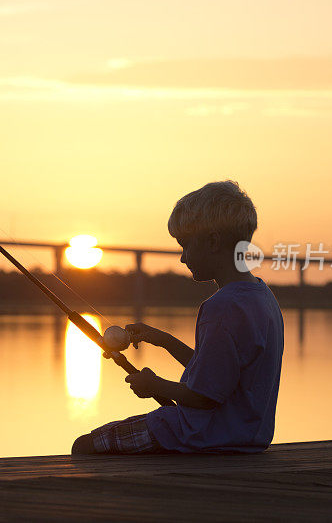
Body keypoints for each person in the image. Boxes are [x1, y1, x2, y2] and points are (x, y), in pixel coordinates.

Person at [72, 180, 284, 455]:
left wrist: (153, 386)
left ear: (213, 241)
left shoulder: (220, 307)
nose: (182, 258)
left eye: (185, 245)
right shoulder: (262, 297)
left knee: (84, 447)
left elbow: (205, 397)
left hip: (201, 434)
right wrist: (163, 341)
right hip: (246, 436)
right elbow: (219, 375)